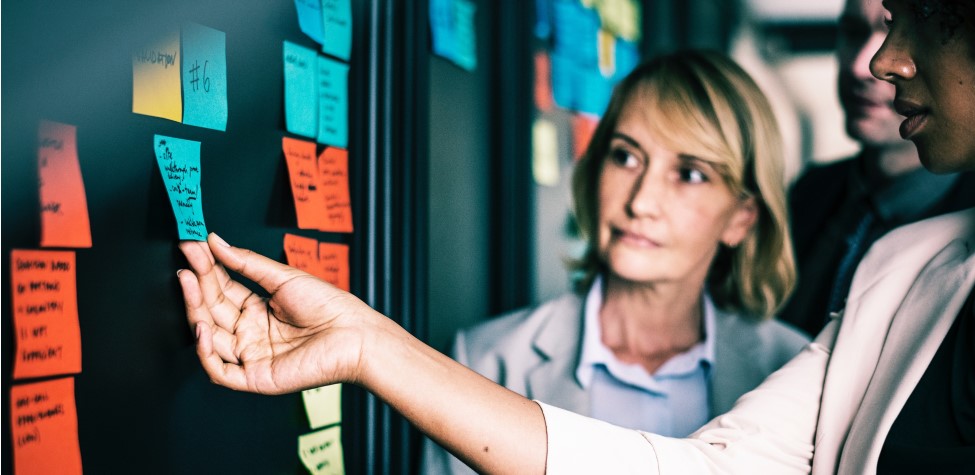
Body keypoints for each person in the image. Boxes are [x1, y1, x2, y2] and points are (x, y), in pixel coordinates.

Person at [176, 1, 974, 472]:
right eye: (624, 155)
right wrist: (363, 342)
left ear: (743, 212)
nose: (882, 59)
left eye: (919, 13)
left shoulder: (777, 347)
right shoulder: (903, 272)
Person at [422, 51, 809, 474]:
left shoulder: (794, 371)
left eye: (690, 173)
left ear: (741, 218)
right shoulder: (487, 360)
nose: (641, 202)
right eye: (626, 157)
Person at [780, 0, 975, 337]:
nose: (863, 66)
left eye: (903, 33)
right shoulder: (806, 195)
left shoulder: (967, 230)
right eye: (853, 33)